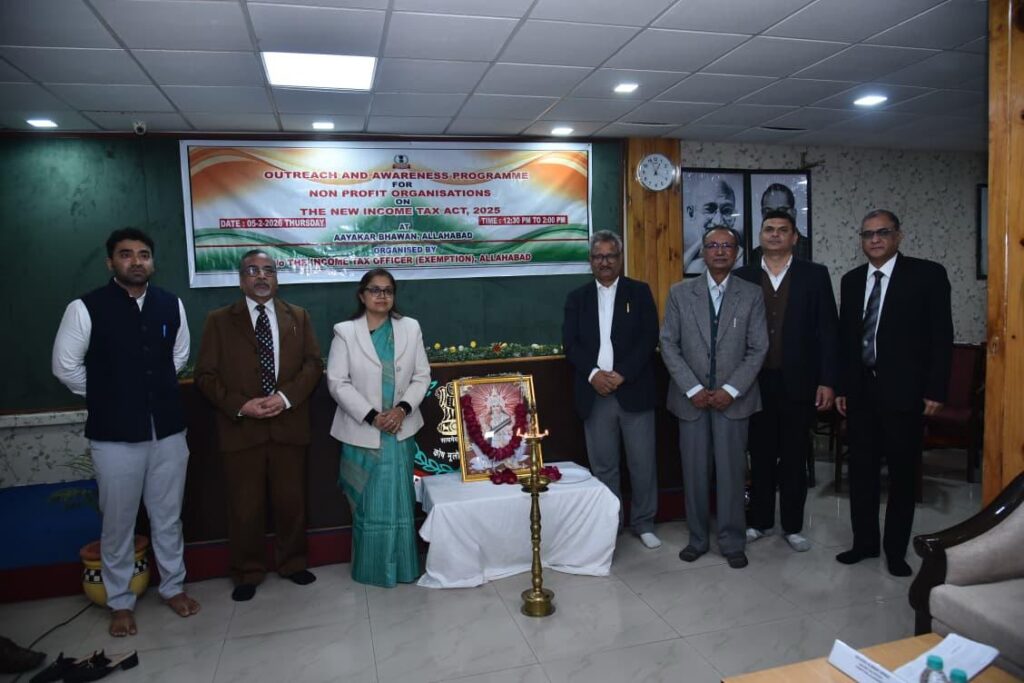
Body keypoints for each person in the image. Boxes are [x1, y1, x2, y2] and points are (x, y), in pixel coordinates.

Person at [52, 228, 200, 637]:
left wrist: (150, 391)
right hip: (114, 435)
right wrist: (110, 393)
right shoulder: (85, 308)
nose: (136, 261)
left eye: (144, 254)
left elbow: (179, 356)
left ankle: (173, 587)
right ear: (111, 262)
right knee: (118, 522)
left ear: (152, 262)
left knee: (168, 517)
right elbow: (65, 367)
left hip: (168, 430)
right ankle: (119, 601)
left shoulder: (171, 303)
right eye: (126, 254)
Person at [194, 250, 323, 601]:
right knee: (244, 506)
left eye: (268, 270)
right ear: (241, 280)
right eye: (253, 270)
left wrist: (285, 397)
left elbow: (313, 365)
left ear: (277, 278)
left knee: (291, 502)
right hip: (241, 430)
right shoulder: (219, 321)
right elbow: (205, 375)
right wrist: (241, 405)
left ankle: (293, 563)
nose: (262, 276)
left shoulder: (298, 316)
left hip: (288, 426)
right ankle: (247, 571)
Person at [835, 209, 953, 576]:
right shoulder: (851, 280)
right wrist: (843, 386)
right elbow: (846, 340)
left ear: (898, 236)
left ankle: (895, 551)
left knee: (902, 477)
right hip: (861, 393)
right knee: (862, 474)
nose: (874, 239)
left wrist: (935, 389)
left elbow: (941, 337)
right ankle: (864, 543)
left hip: (905, 393)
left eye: (882, 232)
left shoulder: (927, 275)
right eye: (867, 234)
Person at [660, 226, 768, 568]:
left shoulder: (751, 294)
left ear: (737, 253)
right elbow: (668, 344)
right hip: (689, 401)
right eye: (712, 245)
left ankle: (732, 541)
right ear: (703, 252)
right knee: (694, 473)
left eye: (727, 245)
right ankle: (697, 539)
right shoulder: (680, 293)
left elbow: (758, 347)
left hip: (734, 402)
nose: (720, 251)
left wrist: (730, 390)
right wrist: (692, 389)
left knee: (732, 474)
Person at [735, 211, 839, 553]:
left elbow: (828, 330)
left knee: (794, 458)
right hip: (754, 383)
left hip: (800, 382)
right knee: (760, 455)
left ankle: (793, 526)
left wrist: (827, 380)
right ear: (760, 236)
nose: (775, 235)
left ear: (795, 237)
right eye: (769, 229)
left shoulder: (815, 275)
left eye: (783, 230)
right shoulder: (743, 276)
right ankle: (760, 521)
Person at [326, 269, 431, 587]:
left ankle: (404, 567)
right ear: (362, 295)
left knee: (399, 502)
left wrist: (401, 410)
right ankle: (370, 569)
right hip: (362, 432)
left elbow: (422, 376)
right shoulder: (345, 332)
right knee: (368, 504)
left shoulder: (410, 327)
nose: (382, 296)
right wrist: (372, 416)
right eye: (374, 290)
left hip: (401, 429)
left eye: (388, 290)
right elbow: (337, 382)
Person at [563, 231, 662, 549]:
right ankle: (610, 524)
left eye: (610, 256)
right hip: (595, 394)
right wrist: (594, 374)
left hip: (634, 390)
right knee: (604, 466)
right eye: (598, 256)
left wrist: (623, 374)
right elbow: (570, 344)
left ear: (620, 258)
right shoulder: (577, 298)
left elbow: (649, 337)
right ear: (590, 261)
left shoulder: (639, 292)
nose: (604, 262)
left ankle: (644, 523)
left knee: (642, 463)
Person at [684, 177, 740, 275]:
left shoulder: (741, 260)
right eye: (709, 210)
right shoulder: (686, 261)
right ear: (691, 213)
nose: (718, 222)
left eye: (726, 210)